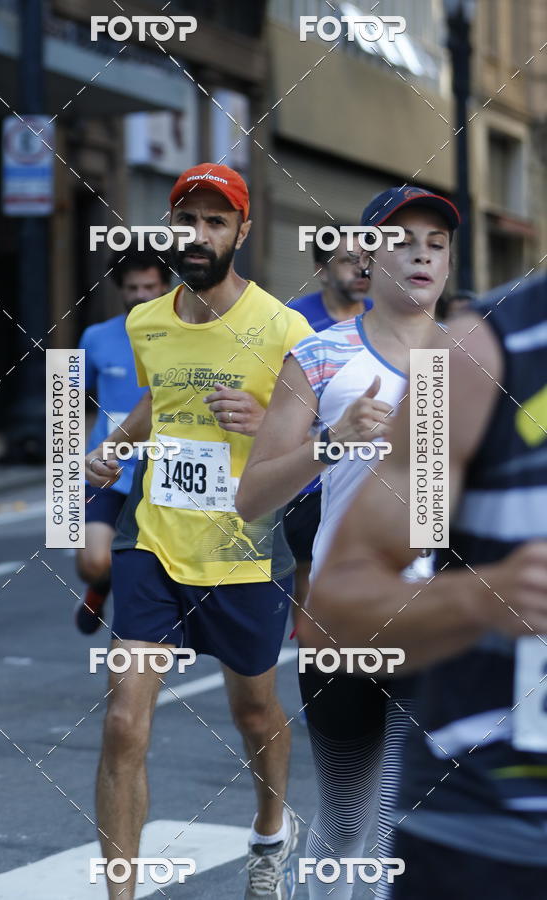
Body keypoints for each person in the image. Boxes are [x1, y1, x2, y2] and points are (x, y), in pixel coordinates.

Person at [85, 163, 313, 900]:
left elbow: (316, 442)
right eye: (187, 220)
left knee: (252, 711)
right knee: (124, 718)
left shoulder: (283, 330)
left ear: (242, 231)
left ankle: (272, 832)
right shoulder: (145, 321)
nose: (198, 234)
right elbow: (159, 394)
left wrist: (268, 428)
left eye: (216, 222)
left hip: (242, 548)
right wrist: (117, 445)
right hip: (152, 538)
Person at [237, 186, 460, 899]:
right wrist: (331, 443)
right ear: (368, 252)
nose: (422, 251)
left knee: (428, 824)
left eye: (437, 241)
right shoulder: (321, 356)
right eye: (403, 238)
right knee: (347, 823)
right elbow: (252, 499)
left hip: (449, 620)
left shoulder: (479, 362)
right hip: (348, 621)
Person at [305, 269, 547, 899]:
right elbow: (338, 615)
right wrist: (484, 595)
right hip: (492, 836)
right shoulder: (475, 357)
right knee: (347, 807)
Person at [75, 250, 171, 634]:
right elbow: (64, 406)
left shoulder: (184, 338)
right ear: (120, 291)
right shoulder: (94, 337)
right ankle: (101, 584)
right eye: (132, 288)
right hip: (108, 474)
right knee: (93, 561)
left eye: (150, 286)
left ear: (165, 287)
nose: (141, 295)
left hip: (164, 475)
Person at [284, 233, 371, 614]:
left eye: (366, 259)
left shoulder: (384, 318)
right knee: (311, 584)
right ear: (321, 270)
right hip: (310, 479)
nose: (361, 268)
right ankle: (319, 665)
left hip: (371, 473)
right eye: (348, 260)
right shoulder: (293, 321)